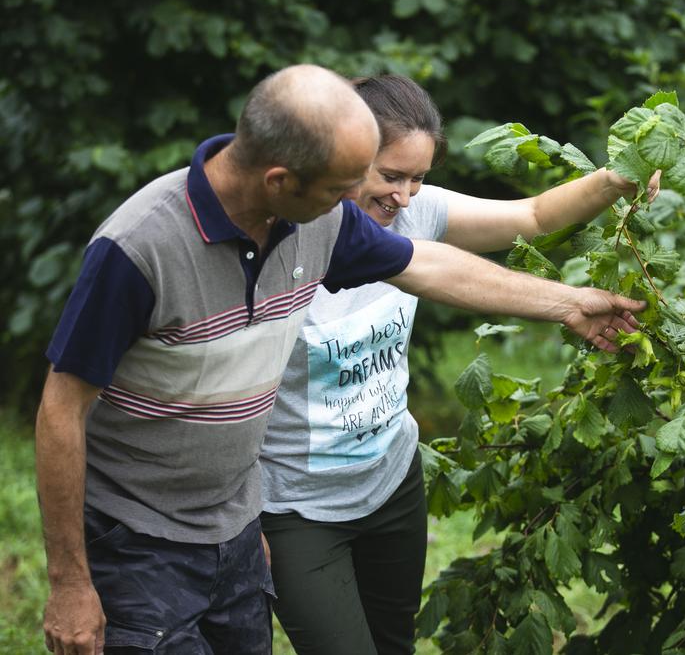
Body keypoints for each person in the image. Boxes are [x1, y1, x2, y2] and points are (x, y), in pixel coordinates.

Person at [35, 64, 646, 655]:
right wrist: (68, 582)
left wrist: (567, 302)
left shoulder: (313, 219)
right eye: (341, 186)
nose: (370, 200)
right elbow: (61, 409)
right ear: (280, 180)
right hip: (143, 536)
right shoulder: (139, 248)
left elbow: (425, 264)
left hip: (238, 527)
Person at [260, 74, 660, 655]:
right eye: (389, 175)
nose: (403, 195)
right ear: (341, 160)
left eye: (417, 178)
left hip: (391, 486)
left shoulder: (413, 215)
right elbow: (227, 402)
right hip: (297, 509)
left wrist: (612, 180)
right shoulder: (282, 251)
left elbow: (536, 216)